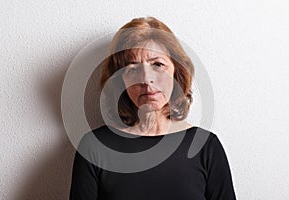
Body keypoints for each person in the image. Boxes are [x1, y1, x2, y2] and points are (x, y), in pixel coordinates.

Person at [69, 16, 236, 199]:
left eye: (158, 64)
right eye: (132, 68)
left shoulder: (205, 146)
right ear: (120, 82)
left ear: (176, 72)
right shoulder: (94, 148)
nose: (146, 79)